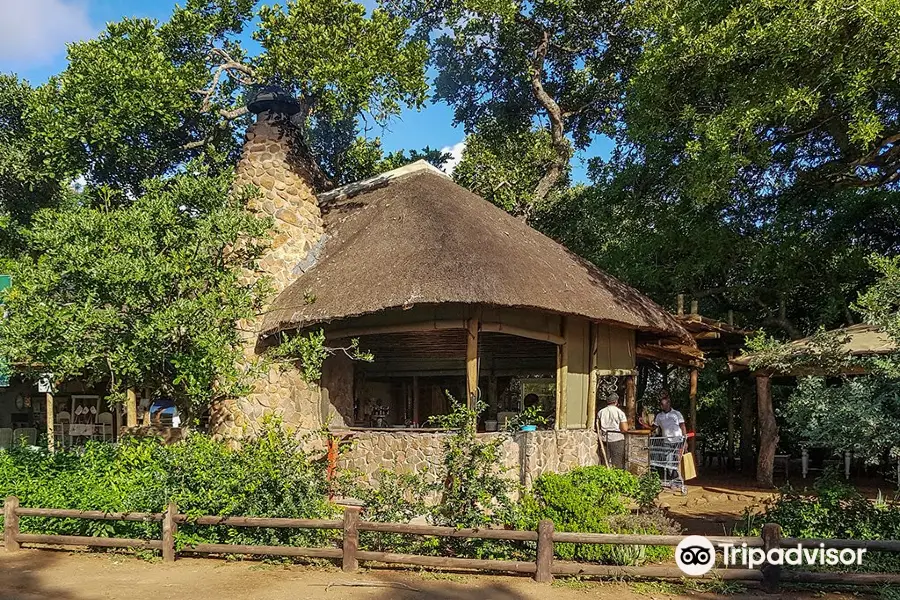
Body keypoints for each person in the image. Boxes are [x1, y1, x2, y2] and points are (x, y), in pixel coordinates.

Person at [653, 390, 686, 484]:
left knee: (676, 460)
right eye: (660, 404)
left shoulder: (676, 414)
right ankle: (672, 478)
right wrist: (644, 425)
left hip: (677, 440)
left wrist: (685, 440)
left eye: (663, 404)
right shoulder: (659, 416)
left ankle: (675, 478)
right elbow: (653, 427)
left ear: (668, 404)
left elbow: (682, 426)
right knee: (668, 461)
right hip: (666, 441)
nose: (661, 406)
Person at [597, 393, 628, 469]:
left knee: (605, 462)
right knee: (617, 463)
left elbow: (597, 425)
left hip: (604, 439)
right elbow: (624, 428)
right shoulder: (620, 412)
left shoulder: (601, 412)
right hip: (617, 439)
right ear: (616, 401)